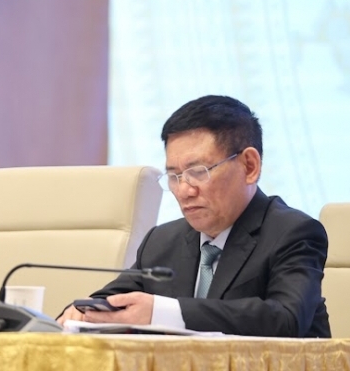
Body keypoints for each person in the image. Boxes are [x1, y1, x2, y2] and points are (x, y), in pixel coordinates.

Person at [57, 95, 330, 337]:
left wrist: (163, 313)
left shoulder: (294, 233)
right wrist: (83, 312)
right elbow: (113, 299)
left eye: (198, 172)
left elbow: (286, 319)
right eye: (174, 176)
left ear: (249, 166)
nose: (184, 190)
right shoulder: (162, 241)